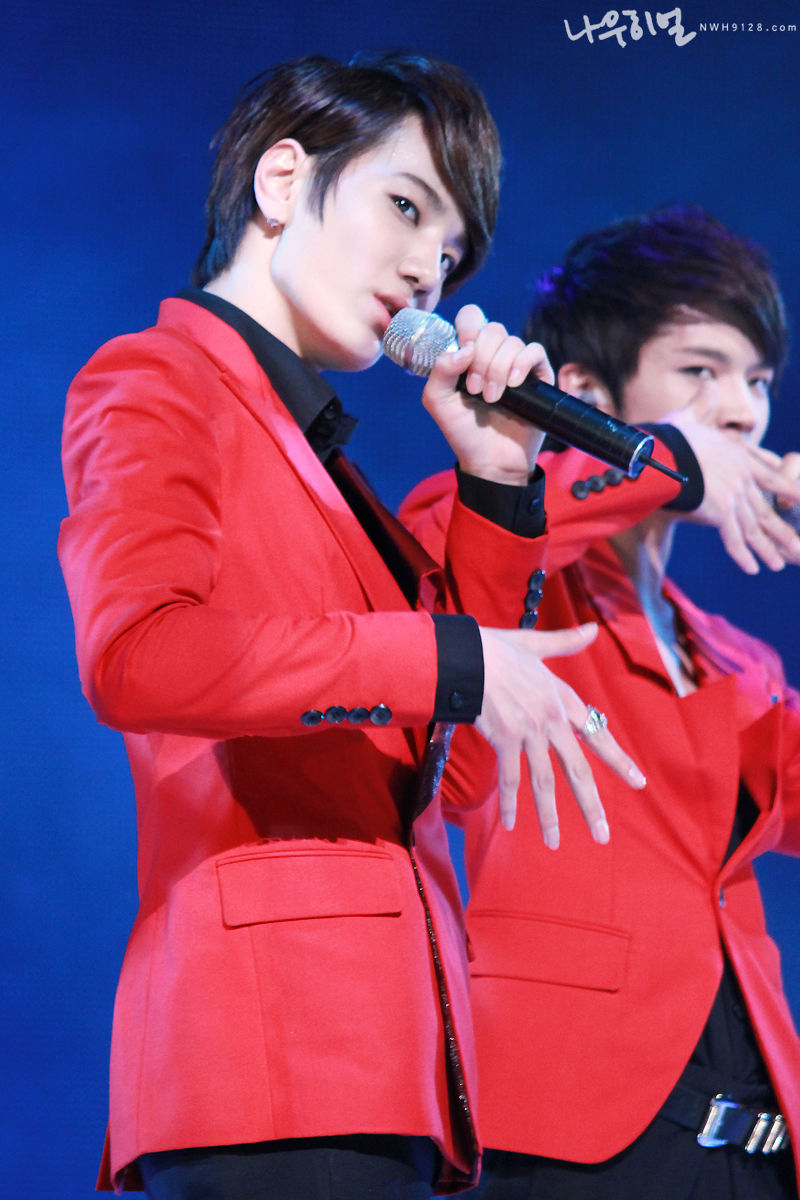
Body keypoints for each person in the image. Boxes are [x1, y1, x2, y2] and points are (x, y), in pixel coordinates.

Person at [57, 54, 643, 1199]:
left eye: (452, 254)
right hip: (271, 1055)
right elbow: (135, 656)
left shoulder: (337, 478)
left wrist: (496, 489)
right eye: (406, 207)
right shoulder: (158, 379)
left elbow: (454, 775)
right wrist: (443, 656)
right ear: (283, 180)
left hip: (391, 1068)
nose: (427, 268)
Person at [401, 206, 800, 1199]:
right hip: (580, 1126)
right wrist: (662, 463)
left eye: (756, 381)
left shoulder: (735, 656)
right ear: (581, 390)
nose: (740, 411)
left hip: (754, 1136)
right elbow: (457, 542)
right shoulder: (500, 531)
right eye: (700, 370)